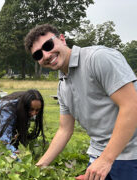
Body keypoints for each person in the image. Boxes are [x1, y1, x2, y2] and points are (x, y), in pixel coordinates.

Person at [24, 24, 137, 179]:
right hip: (99, 156)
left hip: (130, 155)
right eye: (38, 55)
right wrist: (36, 169)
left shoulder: (97, 58)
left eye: (48, 45)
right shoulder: (62, 84)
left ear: (62, 39)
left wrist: (106, 160)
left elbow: (131, 105)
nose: (46, 55)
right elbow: (65, 130)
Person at [0, 89, 46, 159]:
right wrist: (17, 159)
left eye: (37, 110)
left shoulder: (24, 107)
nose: (34, 113)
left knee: (16, 145)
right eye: (31, 109)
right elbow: (4, 141)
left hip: (11, 117)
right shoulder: (8, 110)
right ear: (25, 106)